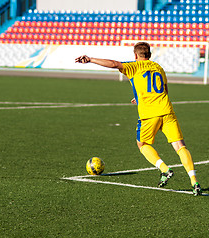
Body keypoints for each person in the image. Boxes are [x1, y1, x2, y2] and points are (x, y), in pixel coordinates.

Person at [75, 42, 202, 196]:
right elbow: (164, 90)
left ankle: (165, 170)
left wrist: (91, 59)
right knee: (180, 146)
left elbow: (114, 64)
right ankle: (194, 181)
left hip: (149, 114)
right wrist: (140, 97)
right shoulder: (158, 67)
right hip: (167, 110)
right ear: (150, 54)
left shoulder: (134, 66)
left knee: (141, 143)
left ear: (135, 55)